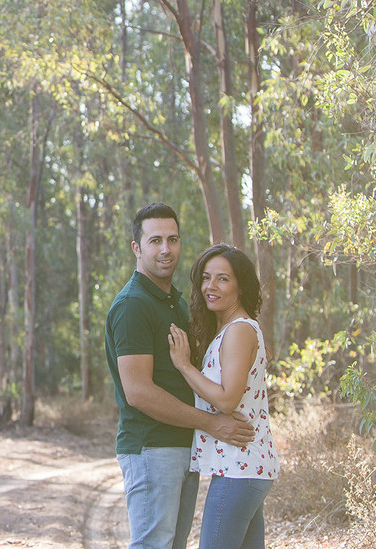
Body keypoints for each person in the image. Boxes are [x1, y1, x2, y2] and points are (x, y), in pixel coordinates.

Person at [105, 205, 255, 549]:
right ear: (136, 248)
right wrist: (212, 423)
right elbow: (139, 392)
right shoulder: (133, 305)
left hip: (183, 446)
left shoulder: (176, 302)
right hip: (151, 446)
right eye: (155, 240)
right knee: (154, 544)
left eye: (172, 239)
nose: (165, 249)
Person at [168, 244, 279, 549]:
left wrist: (184, 366)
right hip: (245, 467)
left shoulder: (239, 330)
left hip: (239, 468)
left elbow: (228, 399)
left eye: (222, 279)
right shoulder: (231, 329)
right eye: (206, 278)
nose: (210, 287)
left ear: (240, 285)